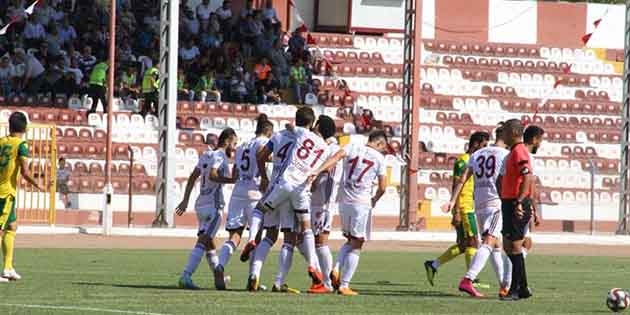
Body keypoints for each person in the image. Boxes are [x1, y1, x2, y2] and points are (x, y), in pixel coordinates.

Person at [242, 108, 335, 294]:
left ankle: (254, 267)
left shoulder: (280, 135)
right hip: (300, 189)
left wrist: (264, 176)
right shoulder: (321, 145)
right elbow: (337, 154)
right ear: (312, 123)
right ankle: (286, 278)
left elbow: (261, 156)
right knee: (291, 238)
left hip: (278, 185)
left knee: (268, 235)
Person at [308, 130, 389, 296]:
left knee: (351, 240)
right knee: (357, 244)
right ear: (380, 143)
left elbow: (335, 158)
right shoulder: (379, 158)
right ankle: (344, 285)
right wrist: (375, 199)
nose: (383, 150)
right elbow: (383, 187)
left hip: (344, 201)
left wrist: (317, 171)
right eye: (383, 147)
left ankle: (336, 269)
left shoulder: (352, 147)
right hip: (362, 203)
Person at [446, 125, 511, 298]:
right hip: (494, 203)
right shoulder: (505, 155)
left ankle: (505, 286)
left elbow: (462, 179)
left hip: (479, 204)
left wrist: (452, 201)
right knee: (489, 242)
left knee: (496, 245)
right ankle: (468, 279)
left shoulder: (477, 154)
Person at [214, 116, 274, 290]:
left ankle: (220, 265)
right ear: (268, 131)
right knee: (255, 237)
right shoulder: (263, 142)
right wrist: (264, 176)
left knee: (234, 236)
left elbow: (236, 169)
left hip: (238, 191)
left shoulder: (242, 145)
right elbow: (261, 156)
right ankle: (252, 277)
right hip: (255, 192)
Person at [175, 128, 238, 290]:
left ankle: (220, 277)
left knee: (209, 243)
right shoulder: (219, 156)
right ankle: (186, 275)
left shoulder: (207, 154)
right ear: (227, 141)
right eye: (234, 143)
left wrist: (185, 200)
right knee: (203, 242)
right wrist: (231, 180)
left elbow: (193, 177)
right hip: (213, 207)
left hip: (200, 205)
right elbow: (213, 175)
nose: (235, 147)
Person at [424, 132, 490, 286]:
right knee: (473, 242)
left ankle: (433, 265)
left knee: (463, 245)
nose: (485, 148)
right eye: (484, 145)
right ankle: (471, 280)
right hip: (465, 207)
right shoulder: (463, 161)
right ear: (475, 144)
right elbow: (456, 185)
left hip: (468, 205)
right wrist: (457, 210)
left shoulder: (473, 161)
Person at [0, 112, 42, 282]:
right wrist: (38, 183)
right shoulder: (21, 145)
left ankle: (8, 268)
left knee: (12, 225)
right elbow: (25, 171)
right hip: (5, 193)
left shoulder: (2, 142)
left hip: (4, 190)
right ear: (24, 128)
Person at [497, 119, 534, 301]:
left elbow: (527, 176)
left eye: (503, 131)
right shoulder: (513, 152)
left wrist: (519, 201)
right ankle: (524, 287)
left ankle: (515, 289)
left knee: (515, 247)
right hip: (508, 202)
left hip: (515, 203)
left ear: (512, 132)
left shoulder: (519, 151)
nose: (501, 134)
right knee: (508, 246)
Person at [308, 123, 342, 291]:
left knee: (320, 242)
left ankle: (328, 281)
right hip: (320, 200)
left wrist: (313, 177)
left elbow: (329, 169)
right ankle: (322, 278)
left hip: (324, 201)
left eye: (315, 127)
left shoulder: (332, 148)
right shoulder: (331, 147)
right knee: (316, 241)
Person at [521, 125, 545, 259]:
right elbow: (530, 184)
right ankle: (508, 277)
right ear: (534, 139)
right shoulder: (528, 157)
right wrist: (535, 209)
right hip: (522, 202)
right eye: (540, 140)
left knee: (524, 243)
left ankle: (509, 275)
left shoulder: (515, 153)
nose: (540, 144)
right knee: (519, 244)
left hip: (513, 201)